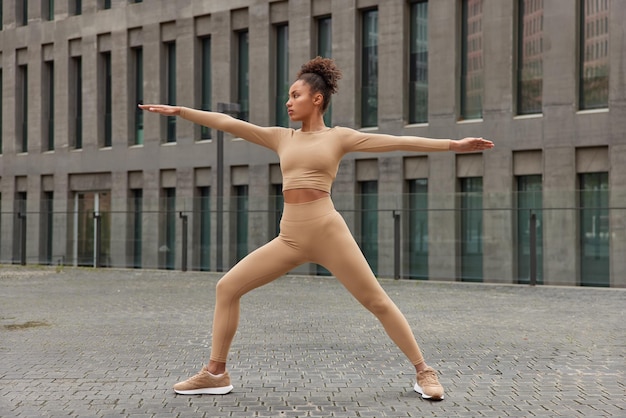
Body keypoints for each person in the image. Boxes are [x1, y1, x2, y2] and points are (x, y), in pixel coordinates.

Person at [139, 57, 494, 401]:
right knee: (227, 287)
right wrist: (181, 112)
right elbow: (229, 123)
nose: (288, 102)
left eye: (295, 95)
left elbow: (398, 141)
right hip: (290, 237)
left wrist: (453, 145)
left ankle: (424, 371)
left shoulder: (339, 138)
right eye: (289, 96)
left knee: (376, 301)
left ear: (317, 98)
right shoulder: (282, 138)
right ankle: (216, 373)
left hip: (327, 231)